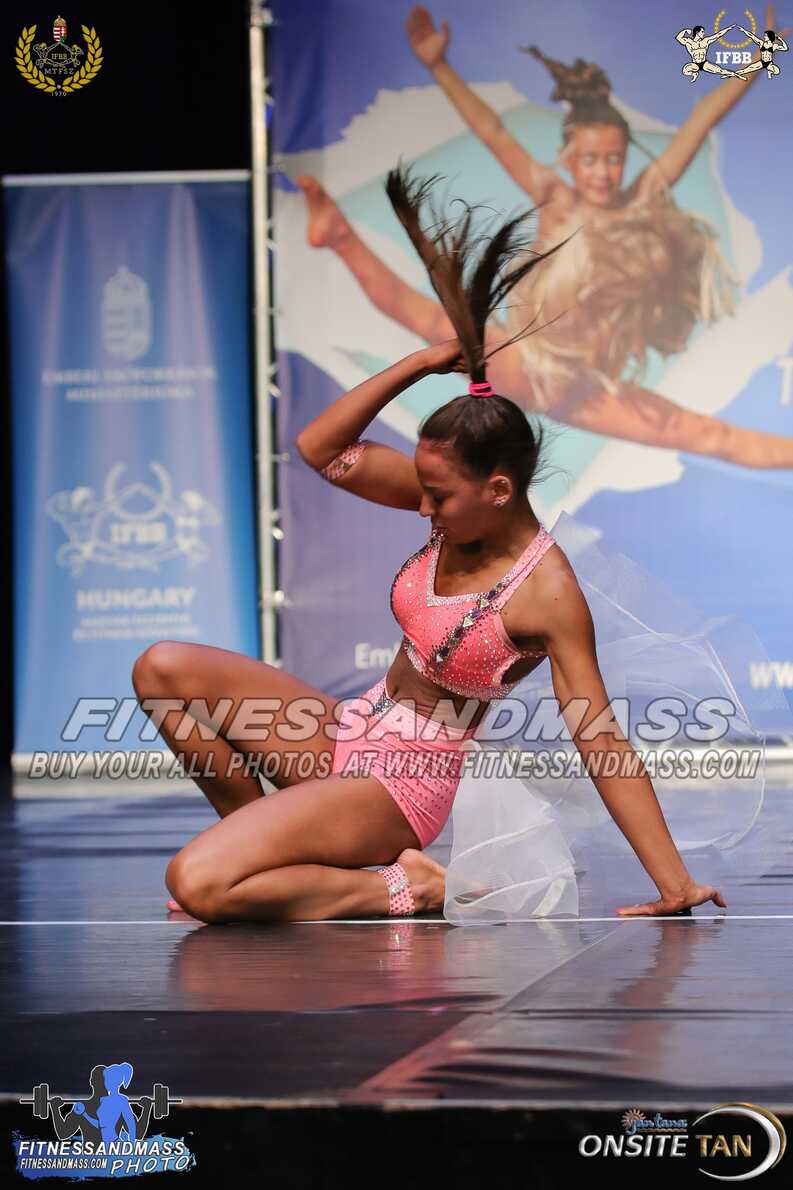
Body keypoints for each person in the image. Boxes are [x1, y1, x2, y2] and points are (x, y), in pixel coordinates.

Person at [135, 161, 730, 927]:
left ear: (498, 489)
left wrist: (673, 882)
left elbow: (600, 740)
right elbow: (320, 448)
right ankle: (260, 855)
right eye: (422, 485)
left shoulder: (545, 593)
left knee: (197, 883)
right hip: (346, 732)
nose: (423, 506)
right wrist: (420, 362)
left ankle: (406, 885)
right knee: (162, 669)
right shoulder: (449, 506)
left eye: (439, 494)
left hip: (399, 789)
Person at [295, 2, 793, 468]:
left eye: (614, 159)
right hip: (529, 362)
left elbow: (700, 120)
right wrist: (439, 66)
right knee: (428, 315)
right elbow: (492, 132)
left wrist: (756, 61)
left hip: (585, 385)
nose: (603, 172)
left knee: (707, 434)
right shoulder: (555, 198)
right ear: (570, 159)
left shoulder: (642, 198)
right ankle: (340, 236)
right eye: (590, 160)